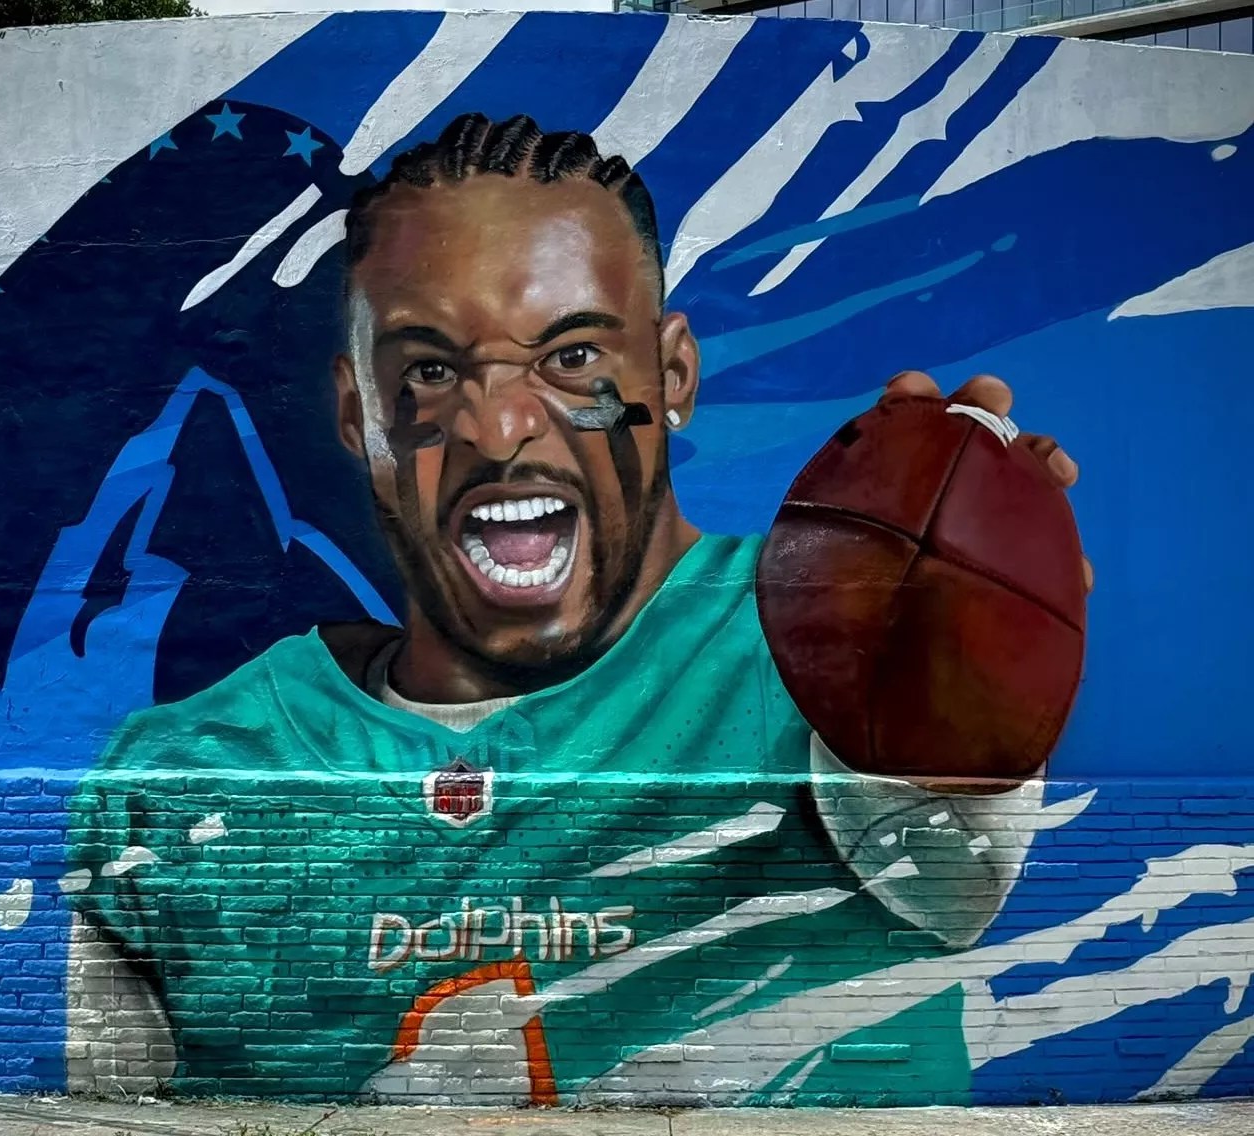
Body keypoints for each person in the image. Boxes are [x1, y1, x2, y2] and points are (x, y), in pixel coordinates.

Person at [66, 112, 1089, 1105]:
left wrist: (977, 632)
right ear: (356, 413)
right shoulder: (183, 769)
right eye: (428, 369)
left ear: (673, 372)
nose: (500, 426)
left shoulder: (823, 636)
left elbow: (947, 832)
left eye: (573, 358)